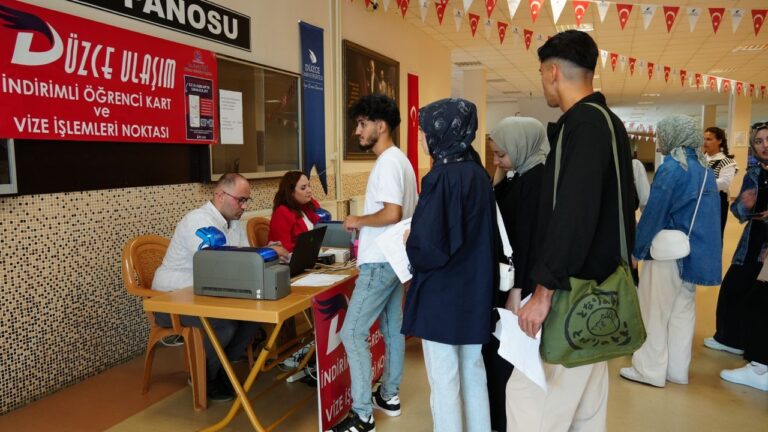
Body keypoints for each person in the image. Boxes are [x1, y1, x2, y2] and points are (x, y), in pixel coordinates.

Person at [507, 30, 636, 432]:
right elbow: (624, 203)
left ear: (551, 71)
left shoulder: (581, 124)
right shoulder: (610, 123)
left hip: (572, 292)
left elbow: (573, 214)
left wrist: (543, 291)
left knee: (529, 396)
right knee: (587, 405)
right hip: (603, 291)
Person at [401, 98, 496, 432]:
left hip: (442, 294)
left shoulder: (441, 177)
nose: (423, 138)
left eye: (425, 131)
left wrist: (408, 239)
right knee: (473, 371)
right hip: (475, 290)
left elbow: (427, 247)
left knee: (444, 381)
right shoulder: (478, 174)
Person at [152, 173, 287, 402]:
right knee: (224, 326)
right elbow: (220, 264)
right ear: (220, 195)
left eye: (246, 201)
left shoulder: (234, 223)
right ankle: (205, 377)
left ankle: (220, 368)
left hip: (205, 294)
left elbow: (243, 262)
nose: (244, 206)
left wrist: (264, 255)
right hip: (172, 299)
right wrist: (269, 252)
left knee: (252, 318)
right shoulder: (199, 221)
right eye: (240, 200)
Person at [327, 94, 417, 432]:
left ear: (381, 126)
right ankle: (389, 396)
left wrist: (358, 220)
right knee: (392, 328)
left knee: (351, 332)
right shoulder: (402, 161)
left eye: (361, 124)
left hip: (380, 262)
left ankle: (362, 415)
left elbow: (393, 213)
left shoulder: (389, 163)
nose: (357, 131)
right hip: (393, 261)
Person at [619, 115, 721, 388]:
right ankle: (677, 370)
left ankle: (649, 370)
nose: (659, 139)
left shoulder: (673, 168)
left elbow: (654, 213)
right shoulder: (705, 169)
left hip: (666, 252)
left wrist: (637, 250)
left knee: (654, 311)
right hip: (693, 253)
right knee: (682, 313)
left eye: (662, 134)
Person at [481, 116, 549, 431]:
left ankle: (505, 421)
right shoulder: (519, 173)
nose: (496, 160)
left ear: (521, 147)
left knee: (508, 357)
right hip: (509, 279)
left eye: (500, 154)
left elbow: (529, 241)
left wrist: (517, 291)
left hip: (517, 284)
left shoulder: (536, 181)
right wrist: (501, 170)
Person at [709, 122, 768, 392]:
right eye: (759, 141)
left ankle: (759, 362)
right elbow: (738, 209)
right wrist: (744, 205)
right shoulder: (755, 172)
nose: (764, 145)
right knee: (734, 288)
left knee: (758, 300)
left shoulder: (726, 164)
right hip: (753, 239)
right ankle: (732, 338)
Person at [268, 171, 321, 252]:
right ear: (291, 192)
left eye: (309, 186)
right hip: (289, 259)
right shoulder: (282, 212)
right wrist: (308, 245)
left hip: (308, 254)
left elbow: (319, 225)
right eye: (303, 188)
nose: (309, 190)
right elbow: (282, 247)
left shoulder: (305, 206)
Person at [703, 126, 738, 238]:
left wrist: (699, 183)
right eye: (704, 139)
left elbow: (724, 183)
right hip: (699, 200)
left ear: (719, 141)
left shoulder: (727, 162)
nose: (705, 142)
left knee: (715, 234)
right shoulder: (700, 159)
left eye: (709, 139)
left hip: (717, 201)